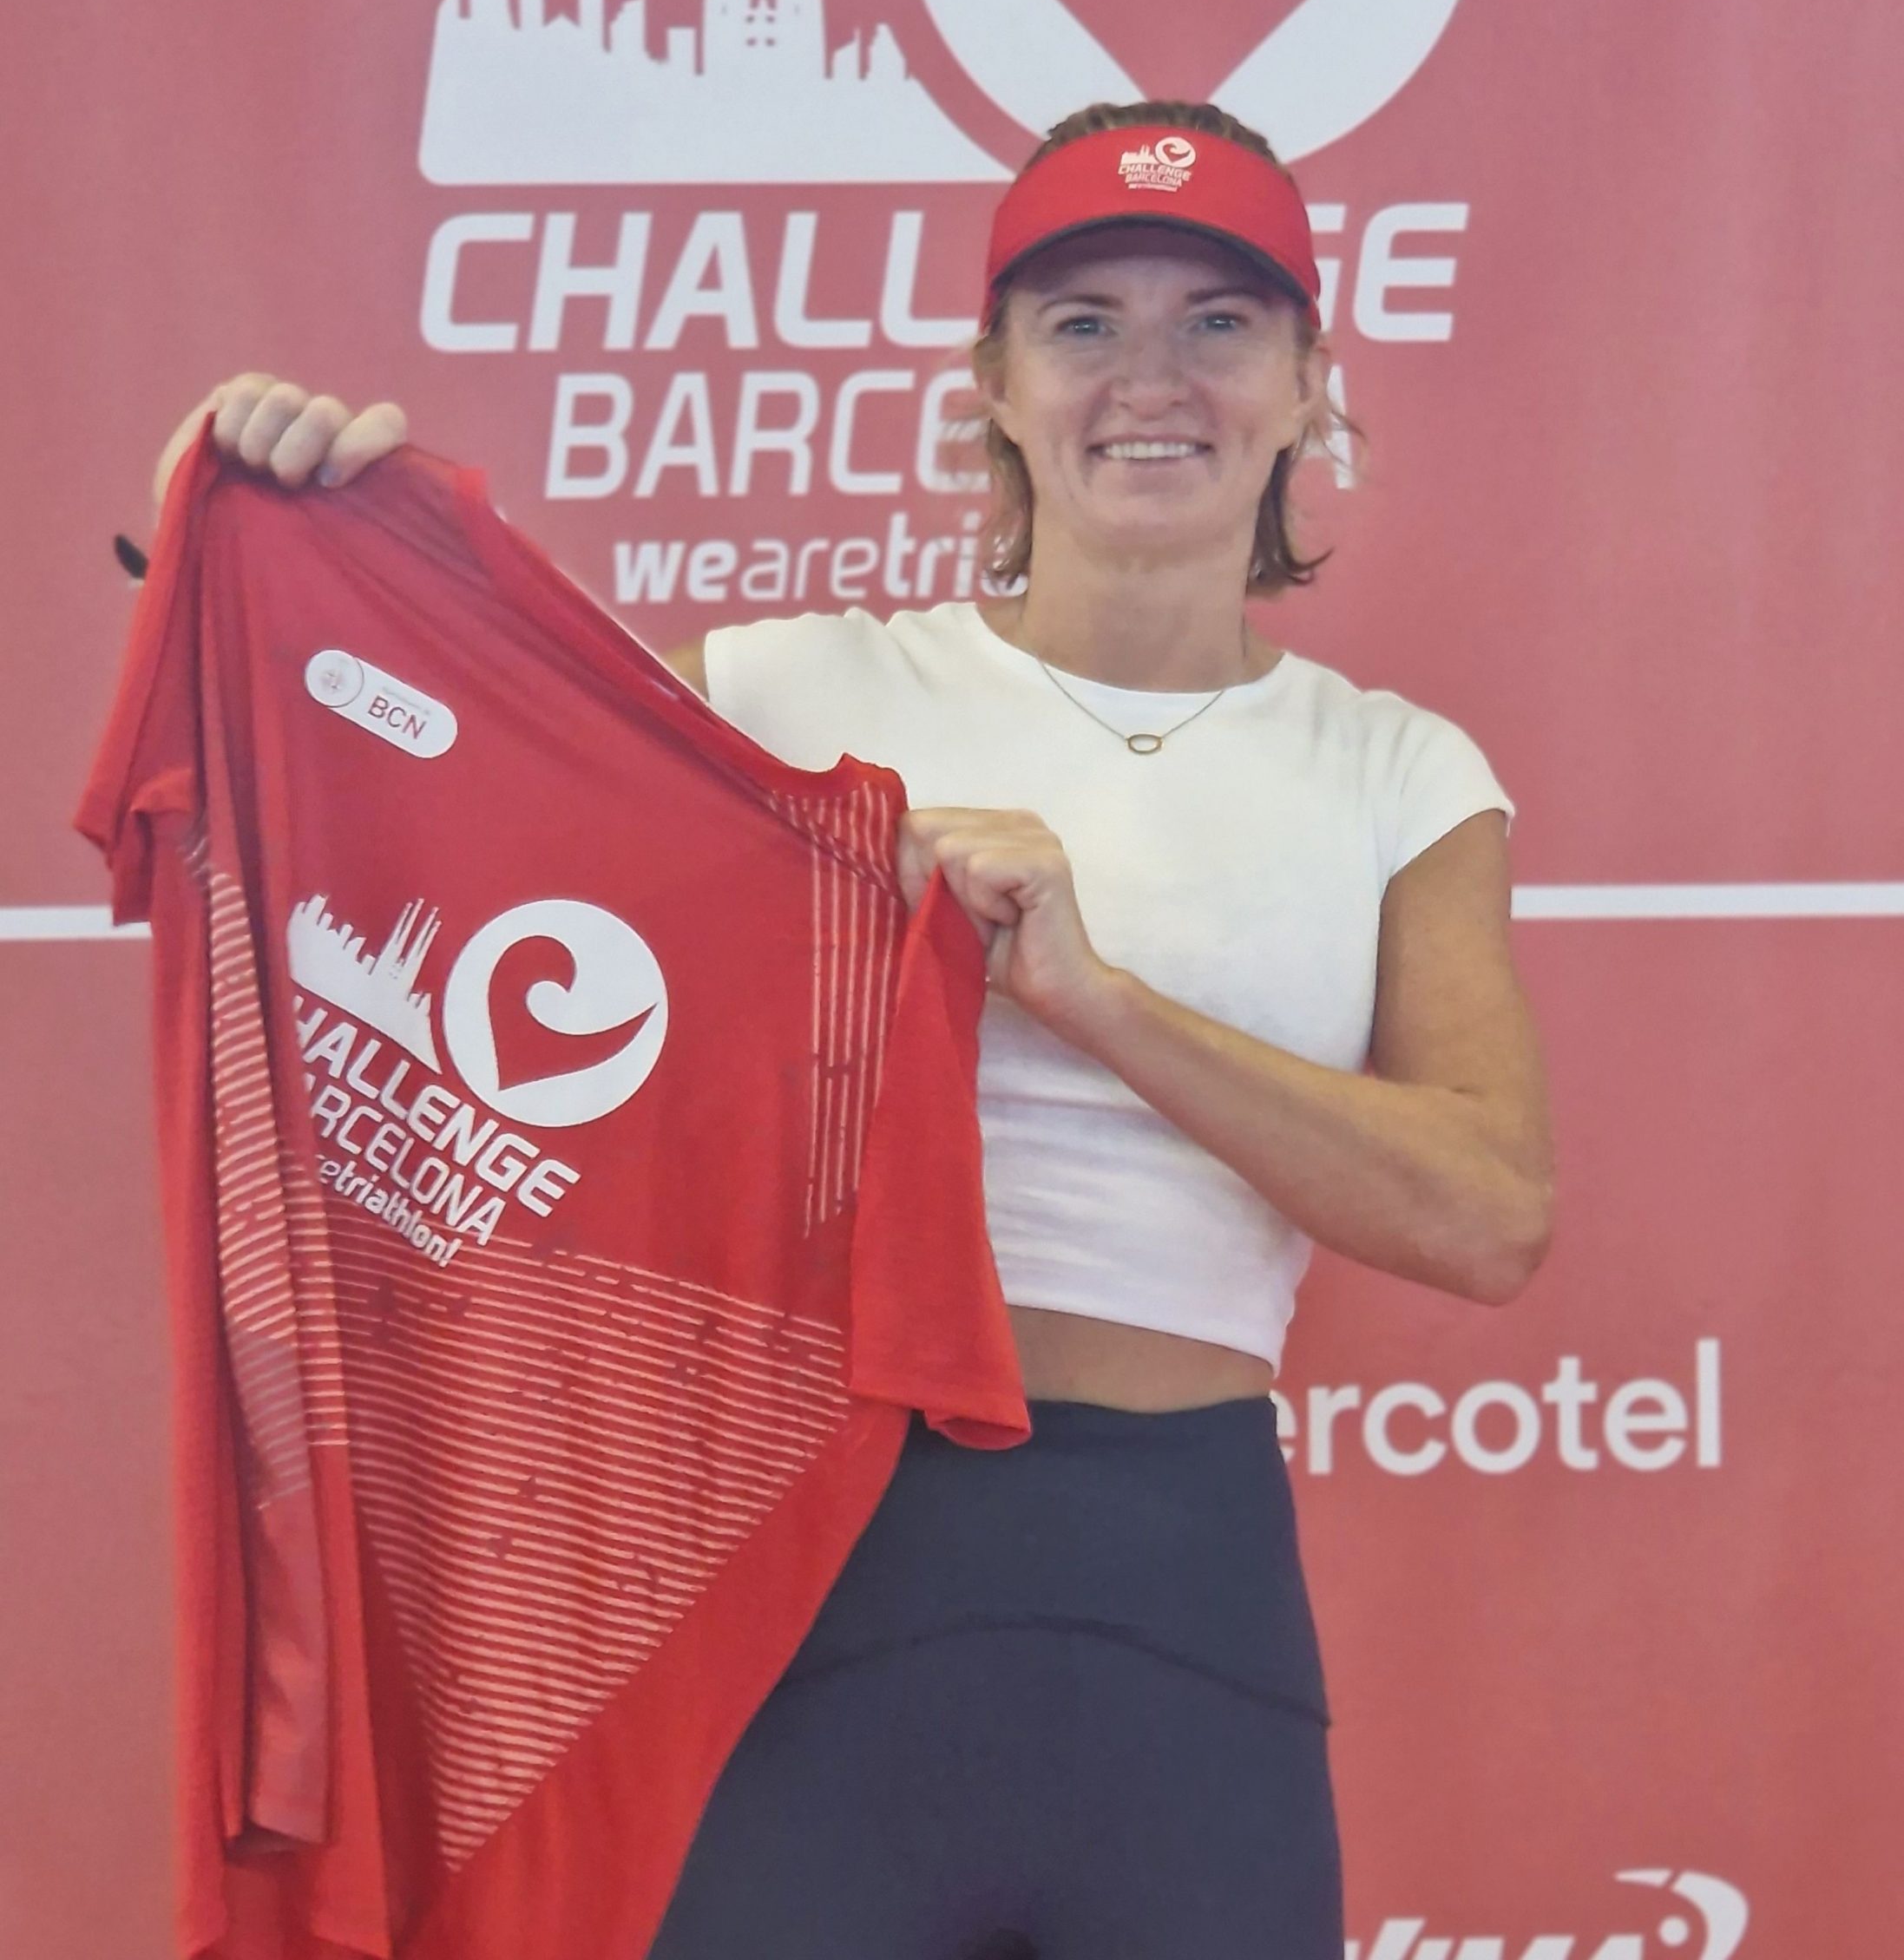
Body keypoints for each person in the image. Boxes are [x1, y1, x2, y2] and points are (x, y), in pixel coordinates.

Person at [149, 99, 1553, 1959]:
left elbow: (1484, 1209)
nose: (1152, 375)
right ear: (986, 384)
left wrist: (1093, 993)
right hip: (799, 1597)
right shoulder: (784, 685)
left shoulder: (1393, 767)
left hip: (1179, 1606)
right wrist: (252, 515)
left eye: (1216, 321)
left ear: (1307, 382)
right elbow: (414, 785)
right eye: (1080, 323)